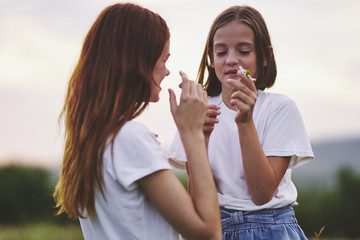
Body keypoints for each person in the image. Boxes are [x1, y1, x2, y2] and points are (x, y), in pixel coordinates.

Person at [53, 3, 221, 240]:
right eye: (164, 60)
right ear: (138, 62)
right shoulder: (130, 137)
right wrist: (191, 132)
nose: (167, 71)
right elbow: (208, 233)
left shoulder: (95, 138)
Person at [168, 5, 314, 240]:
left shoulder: (279, 108)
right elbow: (198, 200)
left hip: (271, 228)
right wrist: (200, 137)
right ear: (210, 58)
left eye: (244, 51)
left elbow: (262, 193)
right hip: (216, 229)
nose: (232, 60)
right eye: (222, 52)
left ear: (265, 56)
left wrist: (245, 121)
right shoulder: (200, 109)